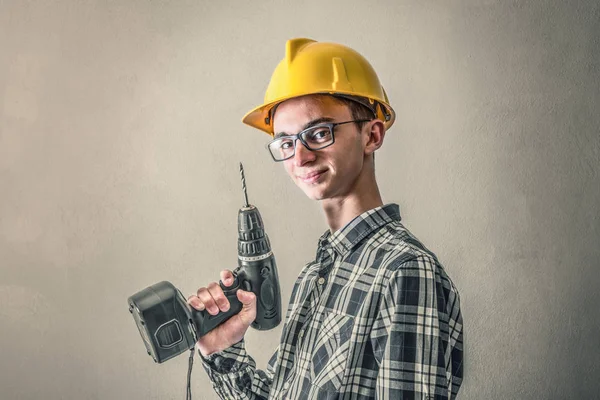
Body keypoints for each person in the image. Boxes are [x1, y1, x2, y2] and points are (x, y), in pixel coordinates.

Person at [187, 38, 463, 399]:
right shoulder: (315, 275)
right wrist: (221, 349)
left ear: (372, 134)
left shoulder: (404, 271)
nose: (299, 157)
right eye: (285, 143)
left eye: (318, 133)